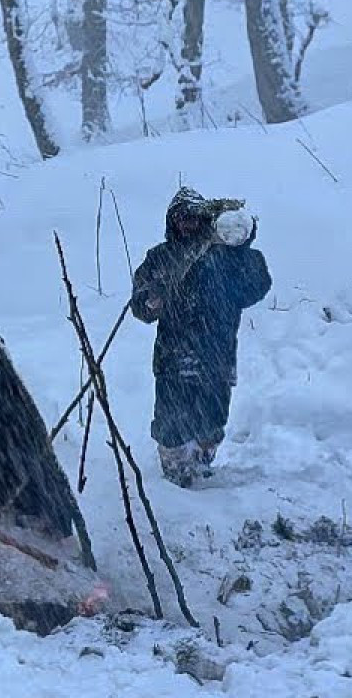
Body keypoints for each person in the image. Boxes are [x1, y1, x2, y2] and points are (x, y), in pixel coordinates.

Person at [130, 187, 272, 487]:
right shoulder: (160, 256)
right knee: (171, 420)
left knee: (212, 419)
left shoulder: (224, 254)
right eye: (181, 218)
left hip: (216, 354)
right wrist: (150, 299)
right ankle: (173, 479)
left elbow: (256, 287)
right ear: (171, 221)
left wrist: (240, 246)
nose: (187, 224)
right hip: (173, 355)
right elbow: (140, 308)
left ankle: (202, 466)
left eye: (194, 217)